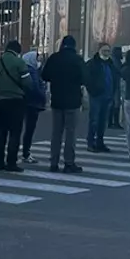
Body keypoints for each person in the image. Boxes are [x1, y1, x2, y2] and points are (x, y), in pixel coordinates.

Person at [41, 35, 85, 173]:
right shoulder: (77, 59)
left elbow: (44, 75)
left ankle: (53, 163)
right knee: (70, 133)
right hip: (73, 101)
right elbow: (85, 78)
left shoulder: (54, 58)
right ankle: (69, 162)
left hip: (57, 100)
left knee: (56, 133)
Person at [0, 39, 31, 173]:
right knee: (15, 132)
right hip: (16, 100)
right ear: (17, 51)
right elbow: (27, 83)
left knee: (1, 131)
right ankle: (11, 162)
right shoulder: (20, 63)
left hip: (0, 100)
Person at [84, 43, 116, 153]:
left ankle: (100, 142)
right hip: (96, 96)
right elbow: (87, 79)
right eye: (104, 50)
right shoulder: (92, 63)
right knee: (94, 120)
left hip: (108, 95)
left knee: (103, 121)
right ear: (99, 51)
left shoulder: (111, 64)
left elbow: (114, 77)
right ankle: (91, 142)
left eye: (108, 50)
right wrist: (93, 90)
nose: (107, 52)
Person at [19, 50, 47, 166]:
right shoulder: (31, 71)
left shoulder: (23, 68)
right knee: (29, 130)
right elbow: (35, 87)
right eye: (37, 59)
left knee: (19, 128)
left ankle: (20, 152)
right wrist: (43, 97)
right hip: (32, 104)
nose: (39, 61)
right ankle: (26, 153)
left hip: (23, 102)